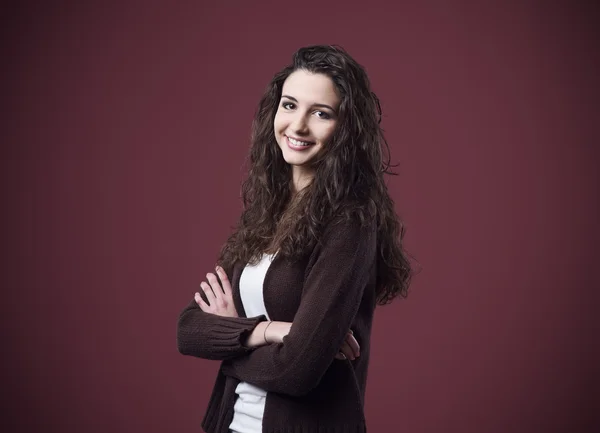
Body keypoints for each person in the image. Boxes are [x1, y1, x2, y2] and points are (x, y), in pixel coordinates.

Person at [177, 44, 413, 433]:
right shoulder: (268, 213)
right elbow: (187, 330)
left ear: (347, 128)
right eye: (289, 105)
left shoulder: (349, 223)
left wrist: (230, 337)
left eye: (321, 113)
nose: (298, 126)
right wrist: (269, 331)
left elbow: (296, 370)